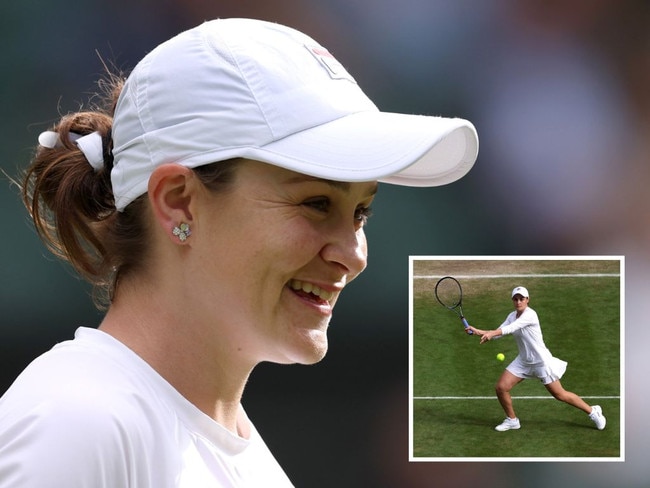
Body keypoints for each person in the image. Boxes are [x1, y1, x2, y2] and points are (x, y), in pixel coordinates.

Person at [0, 18, 478, 487]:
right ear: (178, 201)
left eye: (360, 214)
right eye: (316, 204)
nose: (353, 255)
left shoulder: (233, 451)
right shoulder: (76, 427)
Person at [467, 286, 606, 432]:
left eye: (522, 299)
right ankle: (512, 420)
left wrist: (490, 334)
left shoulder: (530, 315)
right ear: (512, 301)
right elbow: (499, 333)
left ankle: (592, 411)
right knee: (501, 388)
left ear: (528, 300)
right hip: (523, 361)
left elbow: (510, 329)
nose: (519, 302)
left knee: (560, 394)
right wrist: (478, 331)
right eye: (516, 299)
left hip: (541, 362)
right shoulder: (511, 316)